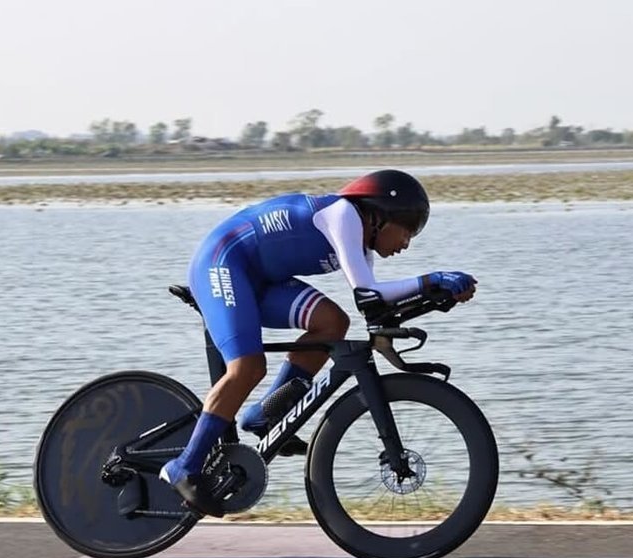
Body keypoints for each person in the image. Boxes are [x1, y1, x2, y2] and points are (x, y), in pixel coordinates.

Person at [159, 169, 477, 515]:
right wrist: (433, 279)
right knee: (247, 367)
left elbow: (374, 306)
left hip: (261, 279)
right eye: (408, 230)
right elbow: (369, 292)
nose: (407, 243)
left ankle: (267, 413)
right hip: (222, 262)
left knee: (332, 323)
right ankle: (184, 466)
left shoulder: (360, 243)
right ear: (382, 216)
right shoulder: (344, 215)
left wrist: (429, 302)